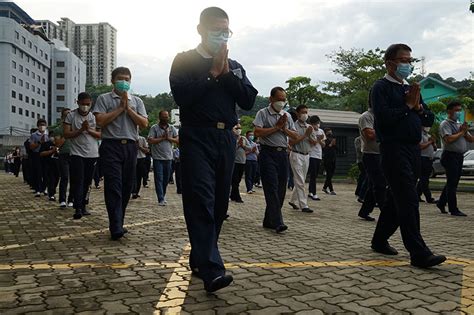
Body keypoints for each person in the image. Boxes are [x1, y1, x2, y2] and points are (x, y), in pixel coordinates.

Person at [169, 6, 257, 293]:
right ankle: (212, 270)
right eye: (216, 31)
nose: (222, 36)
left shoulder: (235, 64)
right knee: (201, 199)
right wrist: (211, 73)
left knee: (219, 203)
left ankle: (200, 256)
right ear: (200, 30)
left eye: (226, 31)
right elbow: (182, 96)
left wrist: (226, 72)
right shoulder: (184, 60)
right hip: (196, 136)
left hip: (226, 139)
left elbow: (247, 99)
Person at [371, 43, 445, 268]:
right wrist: (408, 106)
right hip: (393, 149)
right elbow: (383, 119)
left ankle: (379, 239)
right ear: (390, 62)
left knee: (398, 198)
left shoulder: (410, 89)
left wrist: (418, 108)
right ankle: (418, 252)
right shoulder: (380, 87)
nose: (408, 65)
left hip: (413, 149)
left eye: (409, 60)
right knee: (409, 200)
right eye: (403, 60)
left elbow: (429, 119)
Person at [94, 67, 148, 239]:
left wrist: (128, 109)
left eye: (127, 79)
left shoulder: (137, 101)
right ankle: (115, 225)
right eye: (120, 78)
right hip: (111, 146)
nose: (124, 82)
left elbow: (144, 123)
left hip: (131, 146)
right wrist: (119, 108)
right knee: (113, 186)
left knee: (126, 186)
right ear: (113, 81)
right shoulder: (104, 98)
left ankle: (119, 221)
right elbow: (100, 121)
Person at [253, 87, 297, 233]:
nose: (281, 102)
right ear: (271, 99)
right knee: (271, 187)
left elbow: (295, 136)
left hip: (282, 154)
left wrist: (283, 129)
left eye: (284, 99)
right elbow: (257, 132)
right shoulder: (262, 113)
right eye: (279, 99)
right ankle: (278, 222)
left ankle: (268, 220)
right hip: (267, 153)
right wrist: (276, 127)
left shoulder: (287, 116)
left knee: (281, 189)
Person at [64, 92, 101, 219]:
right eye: (83, 104)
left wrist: (88, 130)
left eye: (87, 104)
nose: (85, 106)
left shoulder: (94, 117)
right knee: (78, 180)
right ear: (77, 102)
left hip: (92, 153)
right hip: (76, 153)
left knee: (87, 181)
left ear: (91, 103)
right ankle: (77, 207)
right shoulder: (71, 116)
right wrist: (80, 130)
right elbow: (66, 134)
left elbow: (100, 135)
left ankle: (84, 204)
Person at [437, 101, 473, 216]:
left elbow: (471, 139)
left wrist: (464, 131)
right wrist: (461, 132)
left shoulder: (459, 124)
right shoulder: (445, 124)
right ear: (449, 111)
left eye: (459, 110)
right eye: (456, 110)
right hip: (450, 156)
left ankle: (441, 202)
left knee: (452, 182)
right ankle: (453, 208)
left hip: (459, 156)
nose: (459, 112)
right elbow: (448, 139)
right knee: (452, 184)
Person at [357, 101, 383, 222]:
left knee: (375, 185)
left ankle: (365, 211)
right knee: (379, 185)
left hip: (381, 154)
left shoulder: (381, 115)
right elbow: (369, 134)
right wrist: (388, 132)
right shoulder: (366, 116)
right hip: (371, 155)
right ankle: (386, 210)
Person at [148, 110, 178, 206]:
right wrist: (162, 138)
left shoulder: (172, 128)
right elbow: (150, 140)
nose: (166, 118)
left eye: (167, 116)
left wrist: (169, 138)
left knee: (166, 179)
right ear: (160, 117)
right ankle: (160, 198)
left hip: (168, 158)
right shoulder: (154, 128)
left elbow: (178, 140)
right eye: (164, 116)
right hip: (157, 158)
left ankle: (163, 195)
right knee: (159, 179)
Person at [288, 105, 314, 213]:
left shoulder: (309, 126)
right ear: (298, 114)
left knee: (301, 180)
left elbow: (313, 142)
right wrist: (305, 135)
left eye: (306, 112)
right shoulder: (293, 126)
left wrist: (312, 135)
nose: (305, 114)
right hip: (296, 154)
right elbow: (291, 142)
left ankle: (293, 200)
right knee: (299, 180)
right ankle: (304, 205)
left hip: (307, 155)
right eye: (303, 112)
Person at [53, 108, 75, 208]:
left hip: (75, 154)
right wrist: (66, 134)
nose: (68, 116)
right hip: (63, 155)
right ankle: (62, 200)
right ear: (62, 117)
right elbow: (57, 144)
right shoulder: (58, 129)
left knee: (74, 178)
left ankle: (71, 199)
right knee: (65, 177)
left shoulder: (76, 128)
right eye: (66, 115)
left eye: (70, 114)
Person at [230, 124, 251, 203]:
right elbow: (230, 149)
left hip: (242, 161)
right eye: (237, 128)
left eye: (240, 128)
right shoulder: (232, 138)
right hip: (234, 161)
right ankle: (237, 197)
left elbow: (250, 147)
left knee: (238, 180)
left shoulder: (243, 138)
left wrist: (243, 145)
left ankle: (233, 195)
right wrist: (238, 144)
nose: (239, 130)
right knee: (235, 180)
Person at [307, 115, 325, 201]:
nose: (317, 125)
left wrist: (320, 140)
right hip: (312, 155)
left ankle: (311, 191)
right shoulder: (310, 130)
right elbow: (312, 143)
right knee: (313, 174)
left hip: (319, 155)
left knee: (315, 175)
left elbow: (324, 145)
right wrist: (318, 139)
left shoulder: (321, 131)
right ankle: (313, 193)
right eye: (316, 124)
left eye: (318, 123)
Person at [29, 119, 49, 197]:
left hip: (46, 155)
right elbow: (31, 147)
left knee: (46, 173)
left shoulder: (48, 135)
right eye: (40, 125)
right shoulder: (34, 135)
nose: (42, 126)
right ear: (38, 126)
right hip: (37, 155)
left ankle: (45, 188)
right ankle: (38, 189)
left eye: (43, 125)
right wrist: (39, 142)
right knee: (38, 172)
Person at [417, 126, 437, 204]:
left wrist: (433, 143)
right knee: (424, 179)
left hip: (429, 159)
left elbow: (434, 148)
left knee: (423, 179)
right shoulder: (420, 134)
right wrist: (429, 142)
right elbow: (421, 146)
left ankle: (417, 194)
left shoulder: (428, 135)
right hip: (423, 158)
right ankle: (429, 197)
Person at [39, 130, 60, 201]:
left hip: (58, 165)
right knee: (51, 179)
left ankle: (52, 191)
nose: (54, 137)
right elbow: (41, 153)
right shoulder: (46, 144)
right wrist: (51, 151)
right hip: (49, 164)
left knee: (56, 179)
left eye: (56, 136)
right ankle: (51, 194)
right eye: (52, 136)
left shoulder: (61, 144)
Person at [132, 135, 150, 199]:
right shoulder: (130, 137)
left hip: (141, 159)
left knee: (139, 176)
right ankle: (133, 191)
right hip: (131, 159)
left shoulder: (142, 138)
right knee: (132, 176)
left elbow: (147, 150)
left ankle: (136, 192)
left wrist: (139, 147)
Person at [322, 127, 337, 195]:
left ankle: (325, 187)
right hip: (327, 159)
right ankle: (331, 190)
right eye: (328, 131)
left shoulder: (333, 138)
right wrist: (330, 145)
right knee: (329, 174)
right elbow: (324, 149)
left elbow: (336, 148)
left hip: (333, 158)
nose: (330, 132)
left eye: (330, 131)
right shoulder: (324, 139)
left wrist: (334, 145)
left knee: (331, 174)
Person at [354, 136, 368, 203]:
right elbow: (359, 149)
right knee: (364, 176)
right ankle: (359, 192)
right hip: (361, 161)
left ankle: (359, 192)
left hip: (367, 160)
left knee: (363, 176)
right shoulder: (358, 139)